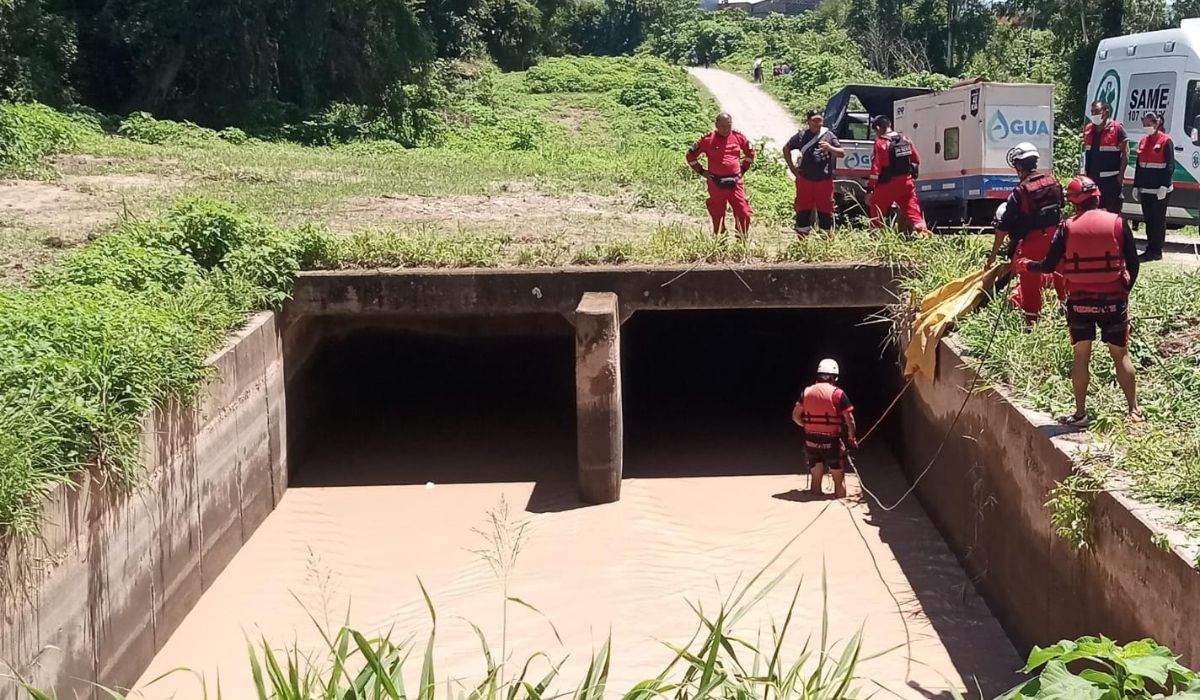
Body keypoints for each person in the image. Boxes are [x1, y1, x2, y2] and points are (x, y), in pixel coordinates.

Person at [1016, 176, 1143, 427]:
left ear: (1074, 203)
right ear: (1097, 197)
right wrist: (1125, 289)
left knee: (1081, 357)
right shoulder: (1118, 222)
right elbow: (1134, 263)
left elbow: (1049, 265)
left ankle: (1080, 414)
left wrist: (1026, 265)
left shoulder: (1066, 227)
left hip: (1080, 302)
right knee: (1121, 356)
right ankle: (1134, 411)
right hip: (1113, 300)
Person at [984, 141, 1066, 324]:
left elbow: (1002, 230)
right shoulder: (1053, 181)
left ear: (1019, 165)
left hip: (1033, 243)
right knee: (1062, 278)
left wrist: (993, 256)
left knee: (1030, 282)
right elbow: (1061, 206)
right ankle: (1068, 317)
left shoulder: (1019, 192)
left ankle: (1031, 324)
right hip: (1057, 240)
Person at [792, 359, 857, 498]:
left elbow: (795, 416)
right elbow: (849, 420)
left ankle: (815, 493)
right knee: (839, 482)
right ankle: (839, 498)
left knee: (815, 480)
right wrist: (852, 438)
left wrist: (808, 425)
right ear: (834, 377)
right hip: (832, 442)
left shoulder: (806, 392)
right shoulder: (838, 394)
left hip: (811, 441)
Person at [686, 112, 755, 238]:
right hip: (716, 182)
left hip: (735, 182)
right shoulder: (707, 140)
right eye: (722, 126)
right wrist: (702, 171)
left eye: (728, 126)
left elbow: (750, 153)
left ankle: (741, 238)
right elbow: (690, 156)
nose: (726, 129)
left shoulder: (738, 137)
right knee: (717, 213)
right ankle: (720, 238)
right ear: (716, 125)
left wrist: (743, 169)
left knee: (743, 211)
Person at [784, 110, 845, 237]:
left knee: (825, 210)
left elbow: (841, 153)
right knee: (803, 209)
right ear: (808, 121)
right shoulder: (801, 136)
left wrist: (829, 147)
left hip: (824, 180)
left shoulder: (829, 135)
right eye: (814, 120)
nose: (818, 123)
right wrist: (792, 169)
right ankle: (802, 241)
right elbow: (786, 148)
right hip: (805, 180)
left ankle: (825, 242)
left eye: (820, 120)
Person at [867, 115, 928, 234]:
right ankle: (925, 235)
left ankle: (875, 237)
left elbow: (875, 170)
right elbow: (916, 160)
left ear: (878, 128)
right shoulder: (906, 139)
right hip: (907, 183)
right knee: (913, 212)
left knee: (876, 207)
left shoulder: (881, 143)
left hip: (888, 184)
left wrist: (870, 190)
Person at [1134, 111, 1174, 261]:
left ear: (1157, 123)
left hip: (1160, 190)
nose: (1146, 127)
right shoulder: (1143, 141)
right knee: (1149, 220)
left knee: (1157, 220)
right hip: (1145, 189)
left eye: (1149, 124)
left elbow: (1170, 165)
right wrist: (1136, 185)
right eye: (1144, 124)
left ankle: (1156, 251)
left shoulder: (1166, 141)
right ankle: (1150, 248)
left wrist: (1164, 185)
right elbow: (1139, 165)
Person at [1082, 100, 1129, 214]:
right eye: (1092, 112)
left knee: (1112, 213)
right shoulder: (1088, 129)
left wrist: (1120, 176)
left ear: (1106, 112)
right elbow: (1084, 153)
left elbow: (1126, 153)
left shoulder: (1117, 129)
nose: (1094, 115)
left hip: (1111, 181)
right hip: (1092, 180)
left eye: (1097, 111)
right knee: (1093, 213)